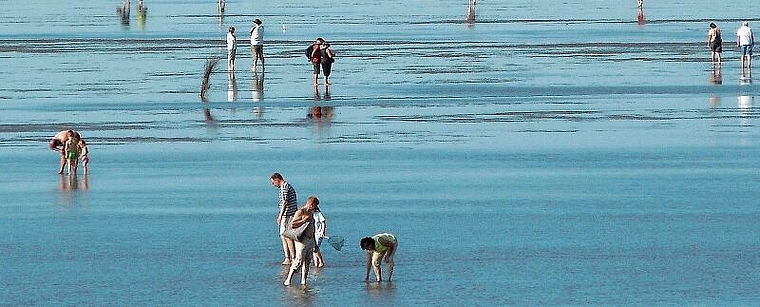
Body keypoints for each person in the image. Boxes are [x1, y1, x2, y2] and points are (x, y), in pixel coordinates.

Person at [283, 196, 318, 286]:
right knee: (298, 260)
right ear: (311, 204)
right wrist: (303, 220)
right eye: (315, 206)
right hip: (302, 240)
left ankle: (304, 281)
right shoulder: (301, 212)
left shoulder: (311, 213)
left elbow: (313, 229)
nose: (315, 208)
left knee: (307, 261)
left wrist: (315, 244)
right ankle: (288, 279)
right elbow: (292, 224)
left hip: (310, 240)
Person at [271, 172, 298, 265]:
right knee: (283, 236)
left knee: (287, 235)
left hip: (287, 215)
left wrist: (280, 215)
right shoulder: (287, 186)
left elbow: (285, 202)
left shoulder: (284, 188)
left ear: (277, 180)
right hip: (289, 214)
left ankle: (292, 257)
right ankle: (288, 257)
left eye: (273, 183)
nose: (273, 185)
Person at [312, 200, 327, 267]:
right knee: (314, 250)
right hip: (313, 234)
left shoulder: (318, 214)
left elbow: (323, 222)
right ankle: (316, 264)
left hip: (319, 234)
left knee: (315, 248)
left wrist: (323, 231)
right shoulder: (310, 214)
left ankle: (321, 262)